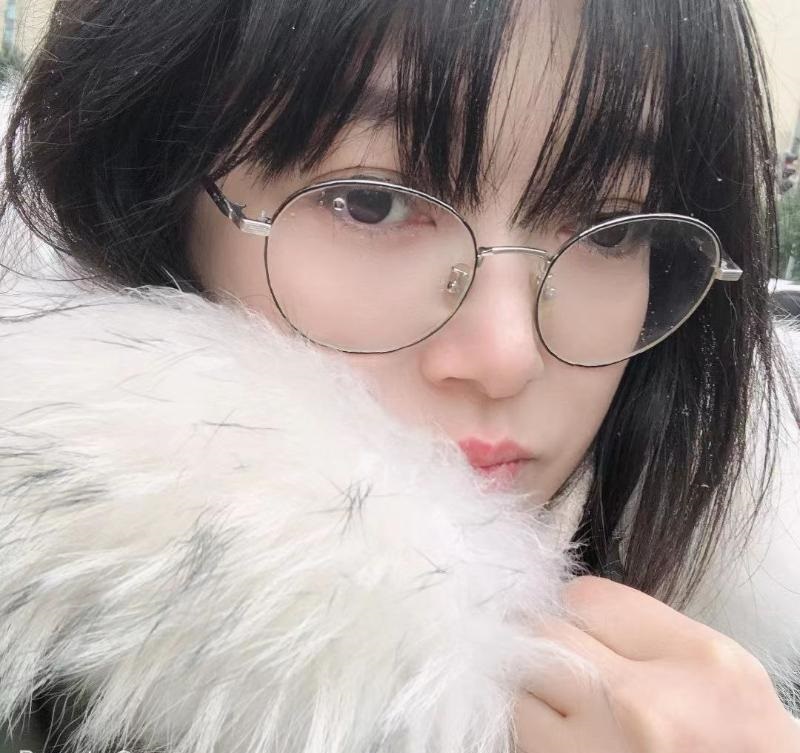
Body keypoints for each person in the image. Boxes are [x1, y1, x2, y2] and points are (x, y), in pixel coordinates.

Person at [0, 0, 799, 751]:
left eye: (608, 227)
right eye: (371, 203)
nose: (508, 355)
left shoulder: (744, 650)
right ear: (152, 204)